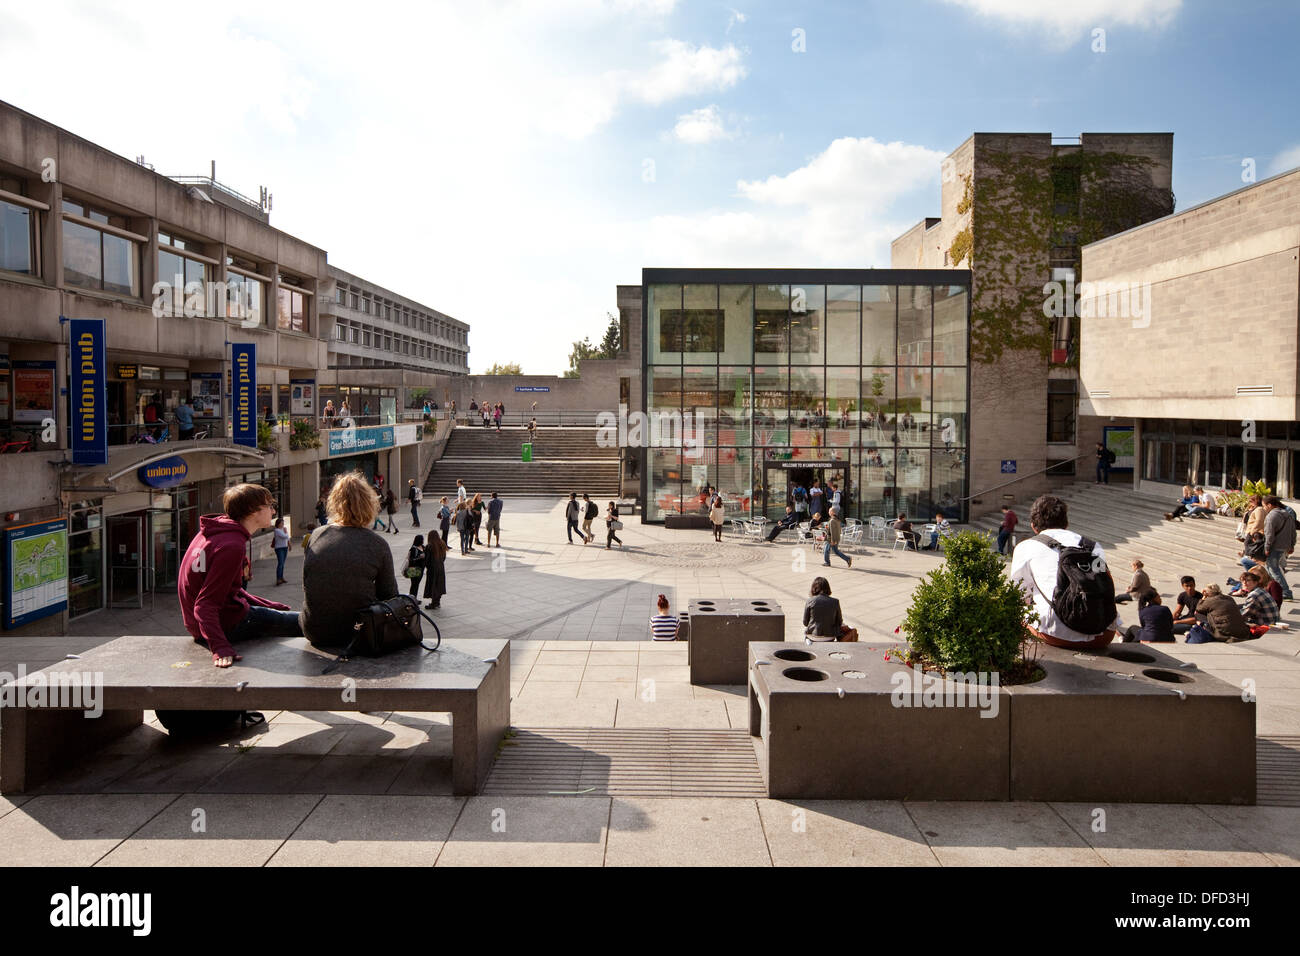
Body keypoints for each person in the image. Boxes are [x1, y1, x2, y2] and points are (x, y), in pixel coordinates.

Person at [178, 483, 302, 668]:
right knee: (307, 622)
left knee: (286, 616)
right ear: (253, 512)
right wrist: (220, 647)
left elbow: (226, 589)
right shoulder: (231, 545)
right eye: (269, 506)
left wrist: (265, 604)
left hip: (201, 625)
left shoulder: (212, 533)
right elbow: (204, 605)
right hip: (228, 624)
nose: (274, 510)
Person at [1008, 494, 1121, 650]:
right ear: (1066, 523)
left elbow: (1019, 594)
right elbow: (1105, 585)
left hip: (1057, 634)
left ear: (1034, 526)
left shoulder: (1026, 547)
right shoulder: (1093, 546)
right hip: (1104, 633)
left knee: (1019, 612)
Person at [301, 473, 398, 648]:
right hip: (360, 632)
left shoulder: (316, 535)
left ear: (334, 503)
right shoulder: (377, 544)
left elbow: (308, 583)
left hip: (315, 630)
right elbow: (389, 596)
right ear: (370, 505)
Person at [1262, 495, 1295, 601]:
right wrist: (1291, 545)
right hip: (1285, 546)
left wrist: (1267, 548)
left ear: (1269, 505)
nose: (1264, 508)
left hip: (1275, 547)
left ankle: (1286, 592)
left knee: (1273, 569)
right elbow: (1293, 532)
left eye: (1264, 506)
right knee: (1275, 569)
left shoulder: (1271, 516)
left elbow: (1269, 534)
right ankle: (1273, 590)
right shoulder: (1288, 514)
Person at [803, 576, 844, 641]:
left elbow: (805, 622)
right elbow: (839, 622)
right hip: (830, 636)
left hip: (813, 636)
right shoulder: (835, 601)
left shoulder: (810, 601)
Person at [423, 531, 448, 609]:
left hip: (432, 569)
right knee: (439, 585)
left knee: (433, 585)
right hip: (440, 567)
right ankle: (437, 602)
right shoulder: (442, 543)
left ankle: (434, 603)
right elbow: (444, 556)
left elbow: (426, 559)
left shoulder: (430, 546)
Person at [272, 517, 290, 585]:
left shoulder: (283, 529)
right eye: (281, 523)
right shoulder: (277, 530)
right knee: (280, 563)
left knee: (282, 564)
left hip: (285, 547)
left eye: (283, 523)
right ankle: (278, 579)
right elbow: (284, 536)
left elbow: (287, 538)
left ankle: (281, 577)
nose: (283, 524)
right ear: (278, 524)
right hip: (279, 548)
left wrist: (289, 544)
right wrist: (286, 532)